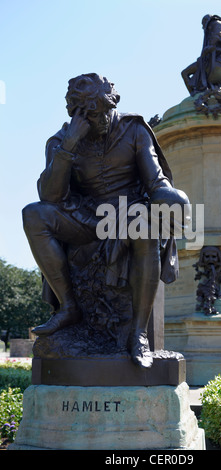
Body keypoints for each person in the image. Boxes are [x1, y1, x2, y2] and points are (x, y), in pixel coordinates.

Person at [22, 73, 189, 369]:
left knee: (146, 227)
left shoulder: (133, 129)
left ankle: (138, 334)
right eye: (85, 114)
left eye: (99, 111)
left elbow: (155, 181)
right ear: (75, 114)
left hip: (128, 213)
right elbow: (50, 196)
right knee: (33, 214)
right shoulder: (62, 140)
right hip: (85, 217)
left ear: (111, 104)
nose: (96, 119)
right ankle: (69, 307)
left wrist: (172, 196)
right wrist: (70, 145)